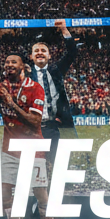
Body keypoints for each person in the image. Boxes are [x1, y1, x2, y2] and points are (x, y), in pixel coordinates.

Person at [0, 54, 53, 219]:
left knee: (41, 195)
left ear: (24, 66)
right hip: (9, 149)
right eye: (6, 62)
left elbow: (35, 121)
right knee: (5, 195)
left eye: (14, 62)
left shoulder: (35, 88)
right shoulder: (0, 87)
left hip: (33, 148)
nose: (9, 65)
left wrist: (11, 103)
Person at [29, 20, 78, 166]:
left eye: (43, 51)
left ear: (49, 56)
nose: (40, 53)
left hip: (52, 126)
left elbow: (71, 53)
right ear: (31, 56)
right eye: (36, 51)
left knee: (57, 163)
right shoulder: (25, 74)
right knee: (36, 165)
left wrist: (63, 29)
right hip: (33, 128)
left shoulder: (56, 71)